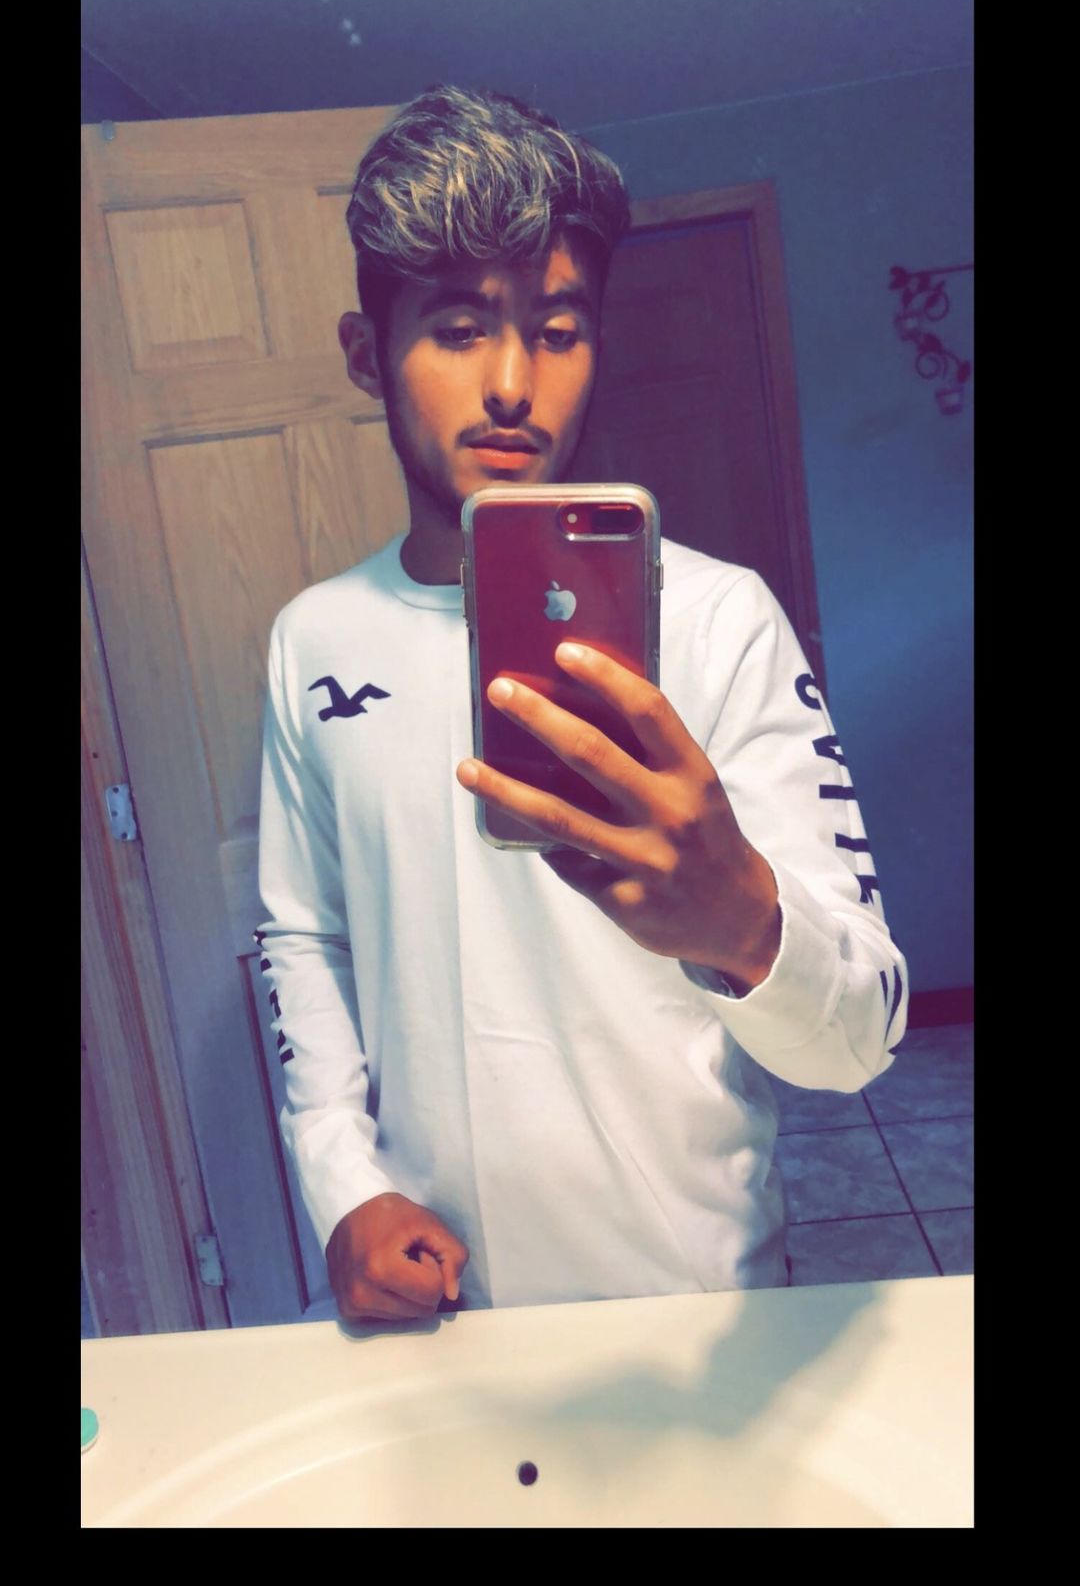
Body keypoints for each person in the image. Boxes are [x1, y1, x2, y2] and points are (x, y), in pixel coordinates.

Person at [256, 84, 908, 1324]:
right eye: (459, 328)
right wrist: (345, 1186)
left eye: (557, 330)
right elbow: (304, 938)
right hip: (435, 1308)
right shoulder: (314, 642)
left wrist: (746, 926)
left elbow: (862, 1038)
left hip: (690, 1311)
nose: (513, 383)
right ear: (366, 354)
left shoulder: (716, 621)